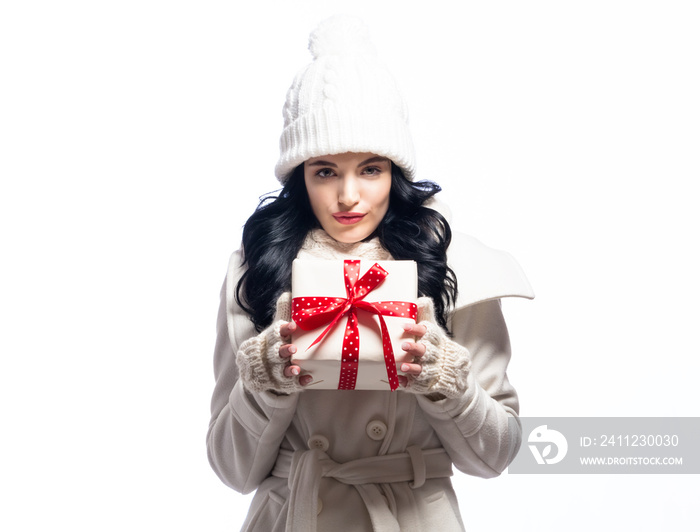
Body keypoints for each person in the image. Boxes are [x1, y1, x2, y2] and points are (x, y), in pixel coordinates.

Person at [207, 15, 534, 532]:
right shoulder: (259, 272)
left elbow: (495, 457)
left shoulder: (453, 266)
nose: (348, 197)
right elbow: (232, 470)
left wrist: (445, 380)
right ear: (300, 178)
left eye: (370, 169)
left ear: (395, 172)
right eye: (325, 172)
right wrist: (263, 382)